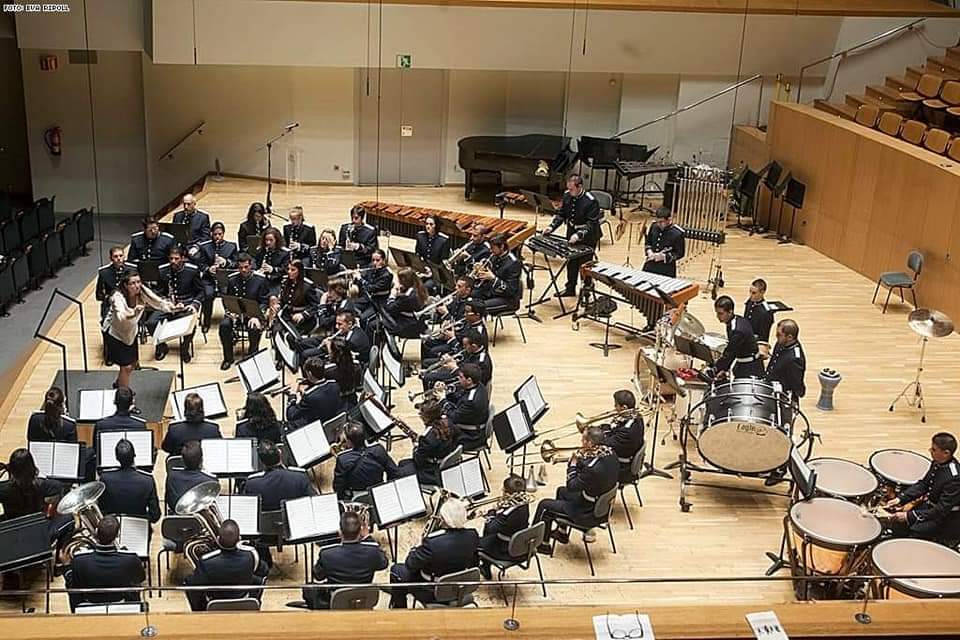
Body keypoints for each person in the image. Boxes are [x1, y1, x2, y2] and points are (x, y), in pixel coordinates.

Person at [534, 426, 619, 552]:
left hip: (586, 512)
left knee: (544, 505)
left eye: (583, 440)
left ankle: (542, 545)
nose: (581, 443)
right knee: (561, 491)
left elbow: (572, 486)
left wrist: (572, 465)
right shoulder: (611, 453)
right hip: (601, 506)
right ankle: (562, 532)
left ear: (590, 443)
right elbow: (591, 472)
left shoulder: (592, 469)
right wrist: (581, 462)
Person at [388, 498, 478, 608]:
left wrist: (416, 547)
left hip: (432, 591)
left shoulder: (432, 543)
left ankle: (399, 610)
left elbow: (410, 564)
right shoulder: (473, 535)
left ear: (443, 520)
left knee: (396, 570)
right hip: (460, 587)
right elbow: (474, 562)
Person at [102, 271, 181, 389]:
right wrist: (134, 312)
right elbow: (121, 316)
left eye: (138, 282)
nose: (137, 285)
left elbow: (158, 302)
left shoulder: (142, 291)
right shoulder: (117, 297)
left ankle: (118, 384)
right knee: (126, 367)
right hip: (115, 333)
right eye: (133, 283)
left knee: (133, 363)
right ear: (125, 285)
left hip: (130, 332)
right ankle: (123, 394)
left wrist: (173, 308)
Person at [298, 511, 387, 610]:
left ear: (340, 532)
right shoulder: (372, 551)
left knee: (308, 588)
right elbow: (384, 563)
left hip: (336, 598)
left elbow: (318, 576)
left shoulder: (327, 553)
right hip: (363, 598)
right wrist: (367, 537)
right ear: (360, 531)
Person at [884, 432, 960, 544]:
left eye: (934, 449)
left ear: (946, 453)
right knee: (897, 524)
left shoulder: (954, 478)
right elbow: (924, 484)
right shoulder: (937, 463)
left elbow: (941, 509)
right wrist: (900, 499)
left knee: (914, 534)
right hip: (930, 508)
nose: (930, 451)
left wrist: (909, 516)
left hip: (945, 520)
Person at [64, 515, 146, 611]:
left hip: (89, 607)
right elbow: (140, 578)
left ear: (96, 532)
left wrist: (66, 566)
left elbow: (73, 586)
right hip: (122, 606)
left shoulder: (79, 560)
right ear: (117, 535)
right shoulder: (131, 559)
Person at [183, 519, 267, 611]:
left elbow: (197, 583)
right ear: (239, 539)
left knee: (190, 581)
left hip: (216, 604)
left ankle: (200, 612)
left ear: (218, 539)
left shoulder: (206, 561)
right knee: (258, 578)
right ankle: (255, 603)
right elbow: (264, 571)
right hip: (243, 600)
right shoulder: (251, 555)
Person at [543, 174, 601, 297]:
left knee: (585, 265)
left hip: (588, 236)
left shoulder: (591, 201)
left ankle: (586, 291)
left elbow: (591, 224)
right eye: (568, 188)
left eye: (571, 189)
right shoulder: (567, 195)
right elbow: (562, 214)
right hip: (571, 232)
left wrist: (579, 235)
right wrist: (551, 227)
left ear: (579, 186)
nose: (569, 192)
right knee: (572, 263)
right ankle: (570, 289)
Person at [0, 448, 74, 545]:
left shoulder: (3, 489)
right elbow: (61, 487)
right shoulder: (46, 486)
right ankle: (60, 553)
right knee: (69, 518)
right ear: (33, 468)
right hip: (38, 532)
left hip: (12, 532)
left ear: (12, 471)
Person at [148, 246, 203, 361]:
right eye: (171, 258)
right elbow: (158, 291)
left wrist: (193, 305)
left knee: (190, 325)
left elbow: (201, 292)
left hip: (186, 304)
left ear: (183, 258)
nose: (173, 261)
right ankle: (161, 346)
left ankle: (185, 347)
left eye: (176, 258)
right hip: (167, 305)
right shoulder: (163, 270)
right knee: (151, 322)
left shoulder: (192, 270)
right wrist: (166, 301)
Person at [218, 253, 271, 370]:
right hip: (236, 313)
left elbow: (264, 301)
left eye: (246, 267)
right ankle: (228, 358)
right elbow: (228, 299)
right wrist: (230, 312)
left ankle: (253, 356)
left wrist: (257, 316)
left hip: (254, 315)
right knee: (224, 325)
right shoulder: (232, 279)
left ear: (251, 266)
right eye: (241, 267)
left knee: (254, 327)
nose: (243, 270)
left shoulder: (260, 280)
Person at [478, 475, 533, 577]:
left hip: (506, 550)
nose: (501, 490)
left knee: (474, 541)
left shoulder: (507, 514)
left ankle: (485, 568)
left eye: (503, 489)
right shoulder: (524, 503)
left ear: (508, 494)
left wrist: (492, 512)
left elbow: (490, 527)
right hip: (523, 547)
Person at [398, 400, 460, 487]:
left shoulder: (427, 438)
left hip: (432, 472)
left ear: (426, 417)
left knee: (400, 469)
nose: (420, 415)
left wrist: (416, 446)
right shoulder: (448, 422)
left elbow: (419, 461)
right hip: (445, 463)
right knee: (403, 463)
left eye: (421, 414)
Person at [98, 439, 161, 523]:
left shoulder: (105, 479)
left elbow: (101, 511)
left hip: (112, 528)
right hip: (139, 528)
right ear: (134, 455)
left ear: (116, 458)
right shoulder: (147, 480)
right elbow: (155, 516)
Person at [333, 422, 400, 500]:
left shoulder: (342, 459)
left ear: (349, 442)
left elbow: (338, 487)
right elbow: (394, 473)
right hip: (379, 491)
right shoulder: (378, 449)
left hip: (357, 495)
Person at [242, 440, 315, 511]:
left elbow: (247, 510)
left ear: (261, 462)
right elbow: (314, 502)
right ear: (280, 453)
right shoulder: (300, 477)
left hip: (267, 523)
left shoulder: (252, 484)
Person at [196, 221, 239, 332]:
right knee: (208, 295)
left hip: (225, 280)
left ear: (223, 234)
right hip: (209, 279)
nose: (217, 237)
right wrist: (208, 269)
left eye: (220, 234)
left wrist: (225, 262)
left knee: (226, 294)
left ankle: (229, 322)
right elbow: (200, 264)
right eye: (215, 234)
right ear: (211, 234)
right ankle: (206, 322)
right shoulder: (205, 247)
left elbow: (236, 264)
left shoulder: (231, 246)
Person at [708, 295, 763, 380]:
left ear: (730, 312)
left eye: (720, 313)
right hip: (743, 362)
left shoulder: (737, 331)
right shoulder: (737, 320)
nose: (717, 316)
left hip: (750, 368)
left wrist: (715, 369)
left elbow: (730, 353)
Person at [441, 363, 489, 452]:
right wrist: (447, 393)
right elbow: (460, 398)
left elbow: (454, 417)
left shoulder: (471, 401)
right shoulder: (479, 386)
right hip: (470, 423)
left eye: (461, 377)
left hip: (470, 436)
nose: (458, 379)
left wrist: (442, 400)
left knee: (438, 432)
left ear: (469, 380)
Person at [286, 356, 344, 429]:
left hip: (318, 425)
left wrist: (292, 394)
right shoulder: (334, 384)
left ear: (310, 373)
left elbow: (291, 415)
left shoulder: (309, 396)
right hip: (334, 419)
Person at [601, 390, 645, 484]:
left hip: (623, 469)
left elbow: (607, 442)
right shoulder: (637, 417)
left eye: (616, 405)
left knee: (590, 469)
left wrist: (596, 434)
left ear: (624, 407)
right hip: (625, 455)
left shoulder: (627, 430)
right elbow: (615, 431)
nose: (614, 408)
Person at [266, 259, 320, 335]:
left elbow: (315, 306)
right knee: (276, 332)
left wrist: (303, 314)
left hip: (304, 319)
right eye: (288, 269)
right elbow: (283, 300)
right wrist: (278, 305)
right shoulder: (285, 282)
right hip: (287, 315)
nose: (289, 272)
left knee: (290, 335)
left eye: (293, 270)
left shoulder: (307, 286)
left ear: (299, 271)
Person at [164, 441, 216, 515]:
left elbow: (169, 502)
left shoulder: (172, 477)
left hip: (176, 521)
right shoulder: (211, 480)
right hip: (201, 521)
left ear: (182, 460)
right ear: (202, 459)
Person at [475, 233, 521, 314]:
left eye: (493, 248)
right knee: (467, 297)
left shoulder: (513, 263)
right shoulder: (494, 256)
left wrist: (493, 278)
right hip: (492, 293)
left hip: (507, 300)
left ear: (502, 247)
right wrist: (481, 270)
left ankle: (478, 326)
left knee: (476, 308)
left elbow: (511, 290)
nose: (490, 250)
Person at [378, 267, 428, 339]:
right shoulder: (418, 287)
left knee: (379, 321)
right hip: (417, 322)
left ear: (404, 281)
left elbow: (390, 308)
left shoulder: (407, 297)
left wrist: (392, 295)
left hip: (407, 326)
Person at [764, 319, 806, 402]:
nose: (776, 336)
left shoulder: (795, 359)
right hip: (771, 384)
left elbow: (796, 383)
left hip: (781, 394)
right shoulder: (781, 343)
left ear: (790, 337)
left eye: (779, 335)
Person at [95, 247, 137, 322]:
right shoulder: (104, 273)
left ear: (124, 257)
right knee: (105, 323)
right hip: (111, 304)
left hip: (129, 302)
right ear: (111, 258)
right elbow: (99, 294)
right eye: (115, 256)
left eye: (121, 256)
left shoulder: (132, 270)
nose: (119, 258)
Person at [643, 206, 685, 278]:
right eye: (657, 221)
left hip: (666, 268)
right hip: (650, 264)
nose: (658, 224)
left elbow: (680, 253)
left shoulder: (677, 233)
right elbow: (648, 242)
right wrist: (649, 252)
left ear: (669, 220)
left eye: (661, 222)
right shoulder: (654, 226)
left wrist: (664, 257)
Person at [325, 336, 362, 408]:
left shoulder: (328, 371)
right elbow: (358, 387)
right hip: (353, 402)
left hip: (336, 404)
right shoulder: (357, 366)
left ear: (333, 353)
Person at [255, 227, 291, 293]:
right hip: (261, 279)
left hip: (276, 281)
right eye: (266, 240)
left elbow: (285, 270)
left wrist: (272, 269)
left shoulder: (285, 253)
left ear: (277, 240)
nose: (268, 242)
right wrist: (258, 270)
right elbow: (255, 264)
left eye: (271, 240)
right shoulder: (261, 250)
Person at [744, 278, 774, 343]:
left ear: (762, 292)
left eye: (754, 293)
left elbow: (763, 337)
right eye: (750, 291)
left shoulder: (766, 313)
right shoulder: (750, 301)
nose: (750, 295)